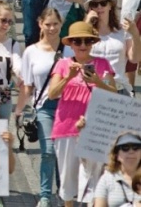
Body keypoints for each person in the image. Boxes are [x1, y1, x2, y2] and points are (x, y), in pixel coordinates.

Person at [49, 22, 118, 207]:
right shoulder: (63, 64)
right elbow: (52, 94)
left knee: (94, 181)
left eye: (87, 40)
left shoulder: (102, 63)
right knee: (68, 179)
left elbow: (115, 94)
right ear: (71, 43)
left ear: (93, 43)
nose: (82, 44)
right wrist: (68, 77)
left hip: (94, 128)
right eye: (77, 41)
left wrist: (97, 81)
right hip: (66, 127)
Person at [15, 7, 64, 207]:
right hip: (44, 106)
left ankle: (63, 192)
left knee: (64, 153)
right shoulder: (31, 52)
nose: (52, 28)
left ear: (61, 24)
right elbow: (27, 87)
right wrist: (18, 111)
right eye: (48, 24)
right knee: (48, 151)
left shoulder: (69, 49)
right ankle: (45, 195)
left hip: (68, 106)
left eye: (55, 24)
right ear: (40, 24)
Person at [85, 0, 141, 94]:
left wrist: (135, 34)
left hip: (119, 87)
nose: (99, 7)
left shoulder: (122, 31)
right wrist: (87, 23)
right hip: (92, 88)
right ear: (90, 8)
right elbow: (78, 56)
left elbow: (135, 58)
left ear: (110, 5)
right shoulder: (85, 33)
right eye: (94, 4)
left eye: (103, 3)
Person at [93, 132, 141, 207]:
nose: (131, 151)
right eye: (125, 148)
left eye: (136, 147)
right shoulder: (107, 179)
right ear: (117, 155)